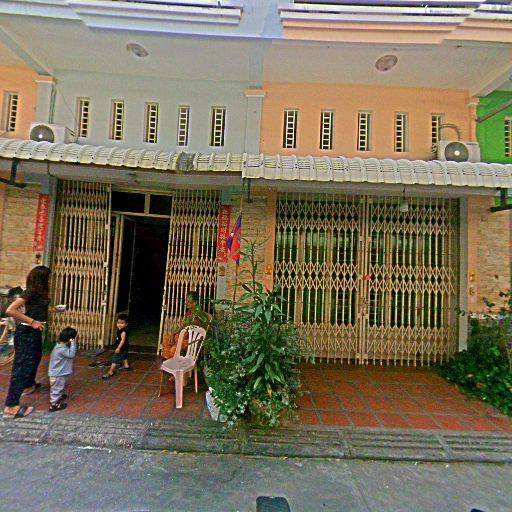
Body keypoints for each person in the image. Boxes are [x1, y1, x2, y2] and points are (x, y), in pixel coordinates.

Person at [3, 265, 51, 419]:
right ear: (41, 278)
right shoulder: (30, 291)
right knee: (22, 367)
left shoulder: (39, 292)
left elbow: (36, 309)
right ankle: (11, 406)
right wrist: (32, 322)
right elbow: (10, 310)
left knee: (35, 358)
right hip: (26, 333)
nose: (50, 280)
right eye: (48, 277)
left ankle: (28, 384)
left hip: (34, 332)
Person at [162, 291, 210, 359]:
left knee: (173, 349)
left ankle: (171, 362)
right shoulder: (189, 312)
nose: (186, 303)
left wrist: (179, 339)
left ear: (195, 302)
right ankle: (169, 360)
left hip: (192, 340)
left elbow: (192, 332)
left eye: (189, 301)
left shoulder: (198, 315)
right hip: (184, 336)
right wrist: (173, 334)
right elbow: (183, 325)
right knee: (167, 338)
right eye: (186, 301)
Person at [48, 327, 78, 412]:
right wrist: (73, 343)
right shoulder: (62, 349)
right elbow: (72, 354)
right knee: (56, 389)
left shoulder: (59, 346)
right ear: (70, 339)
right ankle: (53, 405)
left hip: (58, 372)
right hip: (57, 374)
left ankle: (58, 397)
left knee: (59, 387)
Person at [102, 313, 132, 379]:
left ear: (126, 324)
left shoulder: (123, 332)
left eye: (122, 323)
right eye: (118, 323)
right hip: (125, 347)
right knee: (124, 356)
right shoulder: (120, 330)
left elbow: (122, 340)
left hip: (121, 347)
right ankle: (126, 366)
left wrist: (118, 348)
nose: (119, 324)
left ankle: (111, 372)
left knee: (115, 359)